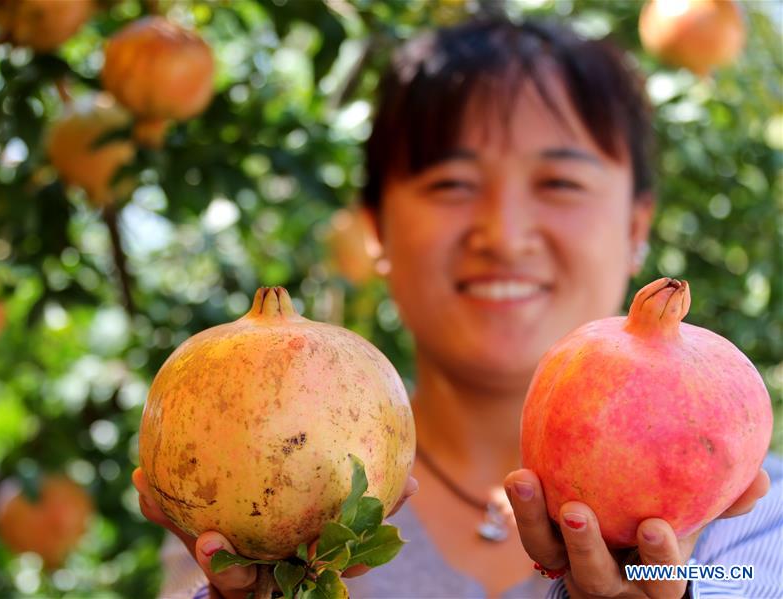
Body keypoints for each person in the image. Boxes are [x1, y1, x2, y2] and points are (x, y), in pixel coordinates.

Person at [132, 16, 781, 599]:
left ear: (638, 226)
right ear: (376, 228)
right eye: (452, 183)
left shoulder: (749, 511)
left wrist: (662, 578)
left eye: (559, 182)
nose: (502, 232)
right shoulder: (253, 476)